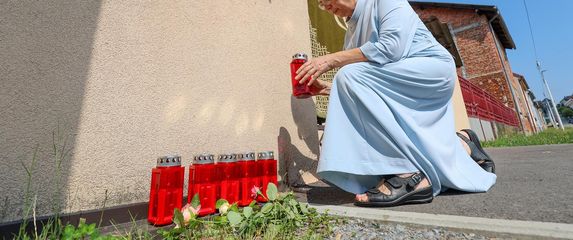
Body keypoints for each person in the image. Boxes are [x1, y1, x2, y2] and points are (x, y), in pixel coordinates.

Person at [295, 0, 496, 207]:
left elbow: (390, 48)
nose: (325, 5)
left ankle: (408, 174)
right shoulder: (351, 31)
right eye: (320, 3)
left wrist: (331, 60)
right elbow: (366, 81)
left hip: (431, 71)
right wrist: (326, 88)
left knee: (348, 75)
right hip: (400, 75)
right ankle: (463, 144)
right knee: (350, 78)